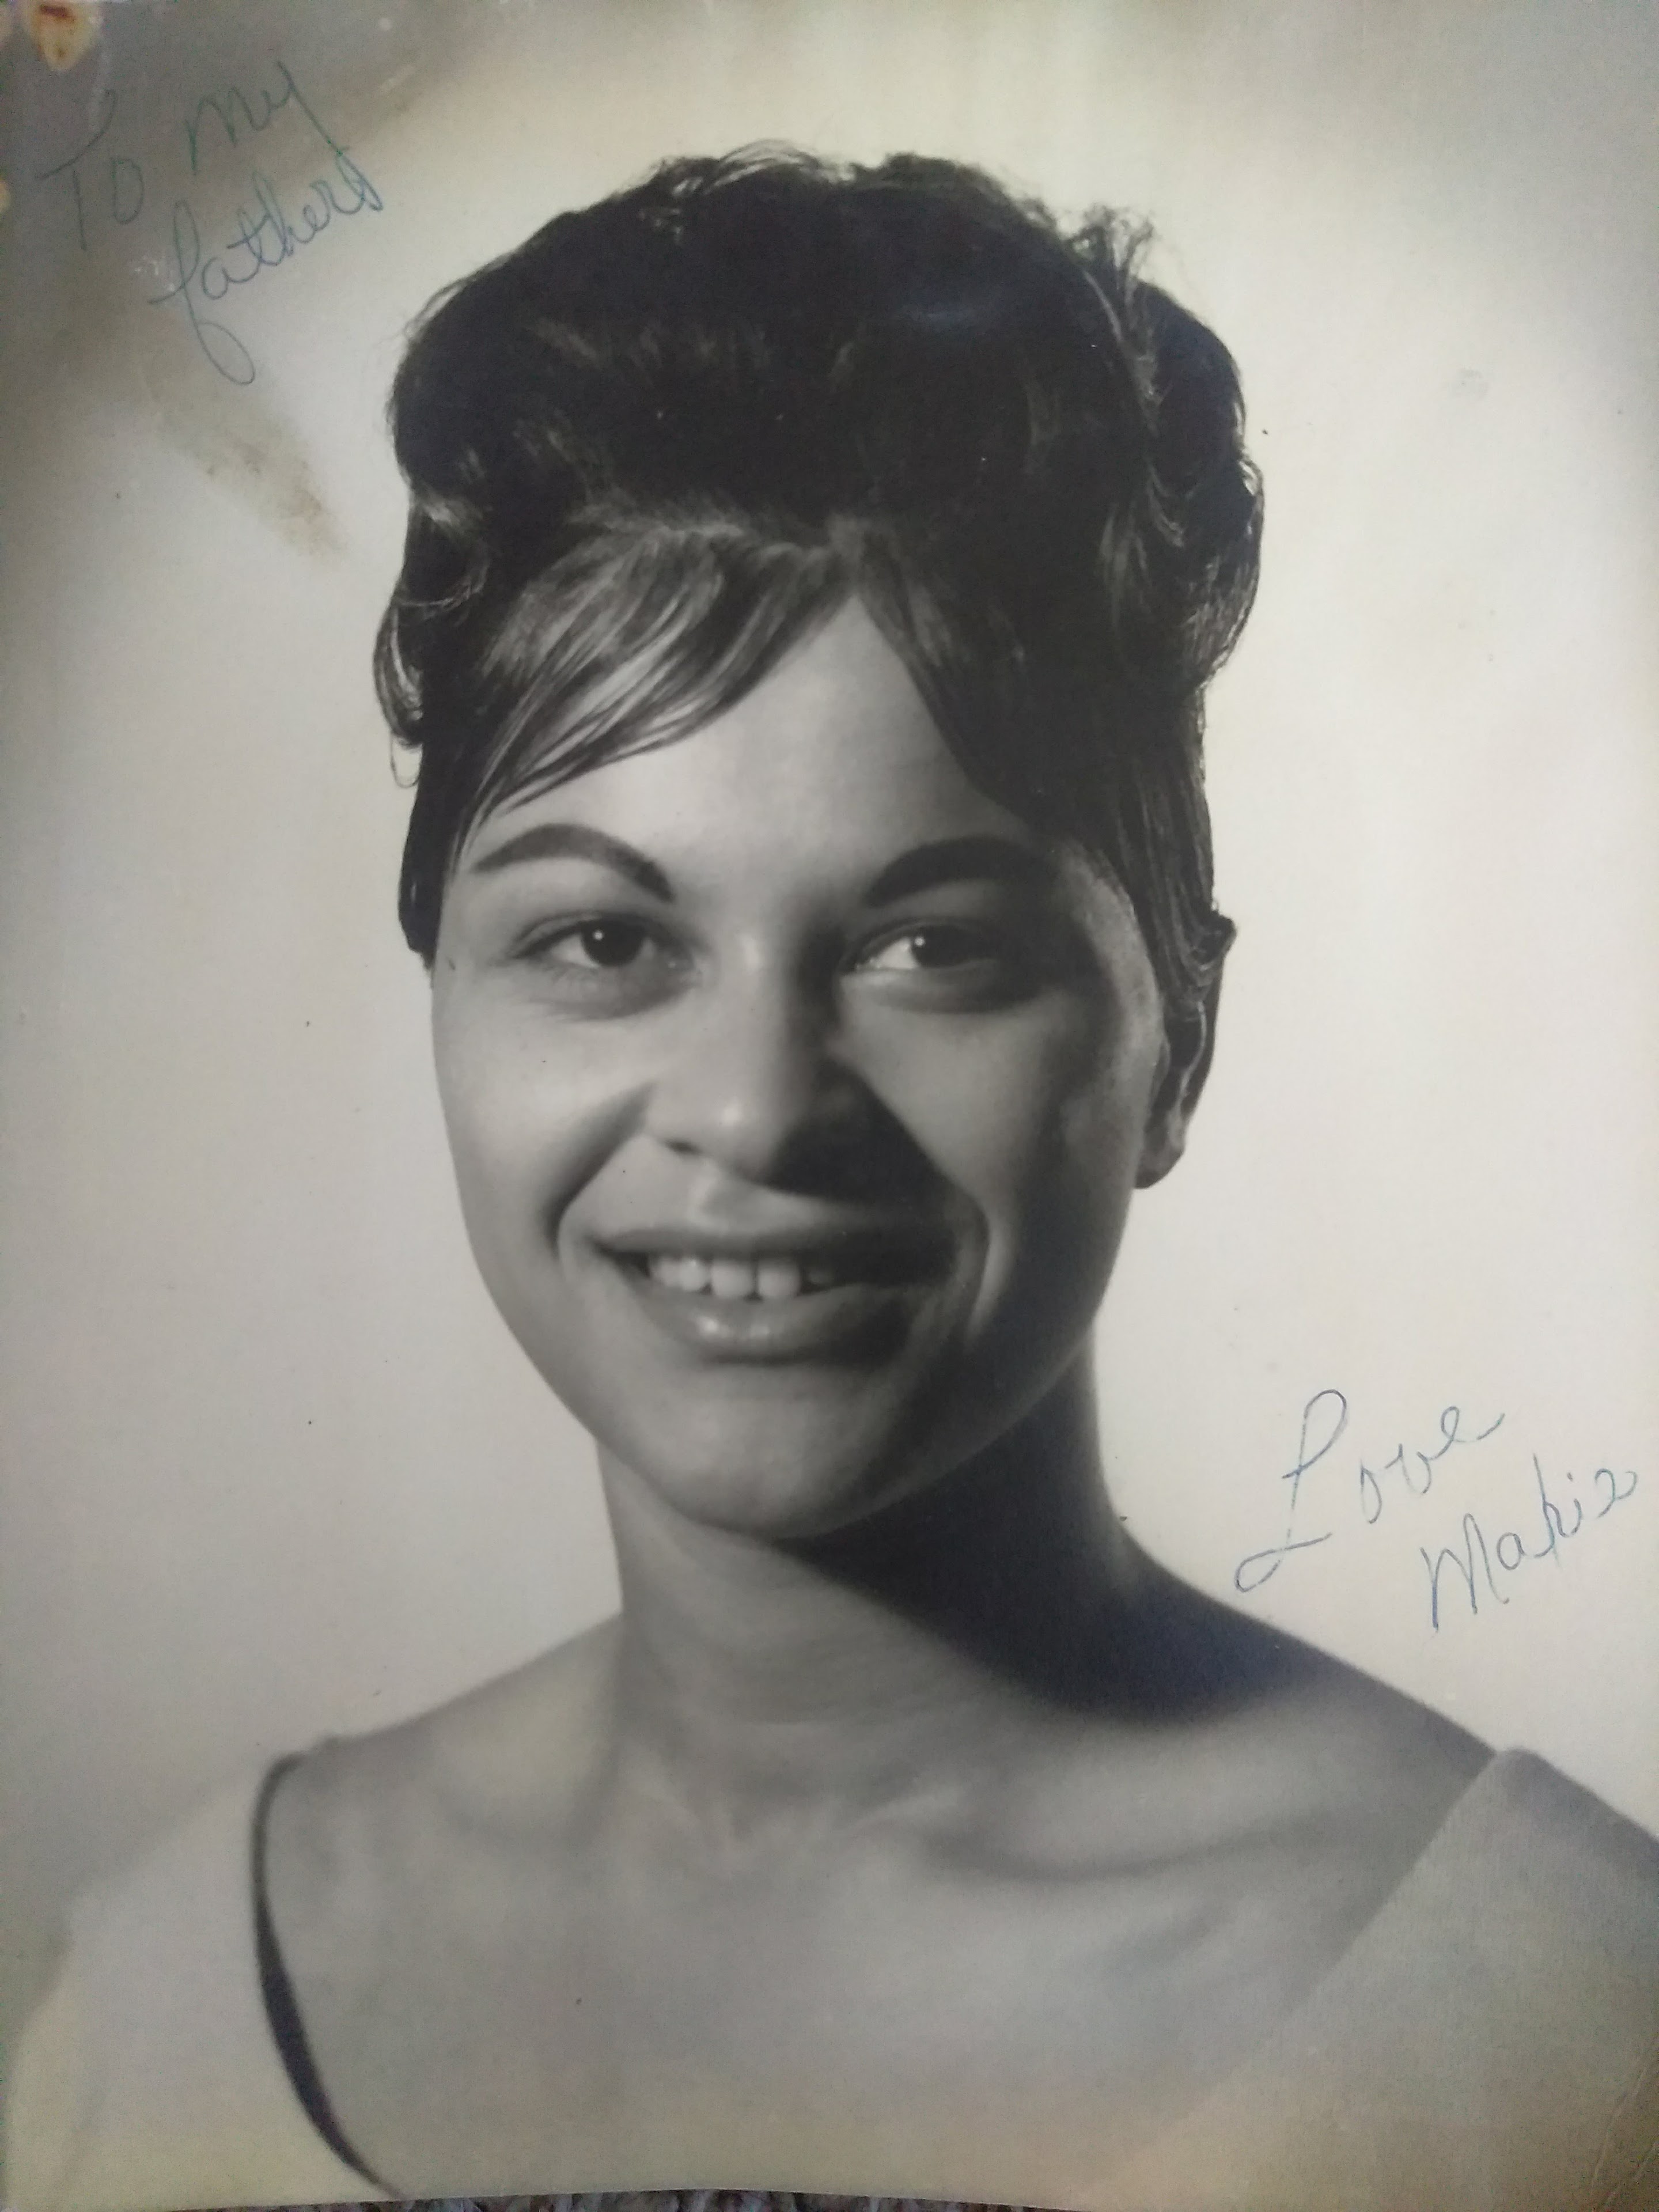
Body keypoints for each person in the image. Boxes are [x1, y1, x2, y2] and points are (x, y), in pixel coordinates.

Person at [8, 149, 1658, 2212]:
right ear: (445, 1000)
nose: (759, 1107)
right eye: (607, 941)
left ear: (1181, 1041)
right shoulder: (151, 2019)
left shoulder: (1578, 2044)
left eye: (931, 944)